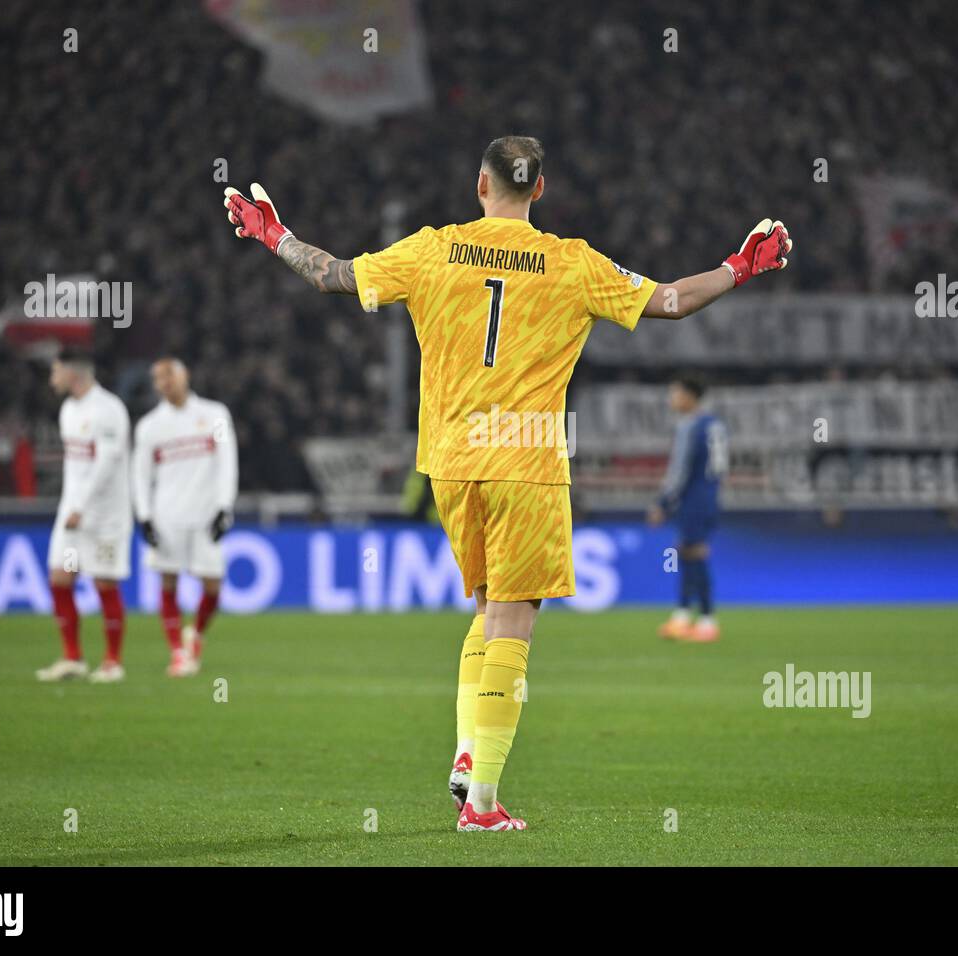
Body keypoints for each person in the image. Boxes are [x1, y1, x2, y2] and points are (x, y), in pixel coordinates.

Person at [223, 135, 792, 830]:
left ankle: (469, 758)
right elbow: (671, 302)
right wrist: (740, 265)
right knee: (515, 625)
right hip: (526, 461)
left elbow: (333, 274)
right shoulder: (572, 262)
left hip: (452, 461)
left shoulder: (433, 248)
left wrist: (272, 232)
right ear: (541, 190)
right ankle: (484, 804)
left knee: (489, 609)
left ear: (480, 185)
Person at [132, 358, 238, 677]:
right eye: (158, 379)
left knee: (214, 587)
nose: (165, 383)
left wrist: (224, 507)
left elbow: (227, 460)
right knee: (168, 580)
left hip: (206, 514)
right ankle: (178, 652)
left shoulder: (215, 414)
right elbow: (139, 474)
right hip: (168, 515)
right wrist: (145, 516)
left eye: (169, 376)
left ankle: (196, 635)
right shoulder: (150, 426)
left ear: (184, 375)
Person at [37, 354, 133, 683]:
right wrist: (71, 506)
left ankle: (112, 662)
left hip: (105, 516)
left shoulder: (108, 409)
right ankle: (73, 658)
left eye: (56, 370)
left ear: (72, 371)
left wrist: (83, 506)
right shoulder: (68, 410)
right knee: (60, 579)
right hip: (72, 515)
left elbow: (106, 464)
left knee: (104, 583)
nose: (52, 376)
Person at [649, 376, 728, 642]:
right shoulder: (714, 424)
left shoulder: (690, 426)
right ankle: (683, 616)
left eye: (675, 393)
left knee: (695, 553)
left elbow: (679, 470)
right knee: (687, 551)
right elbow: (721, 466)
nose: (671, 399)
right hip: (710, 494)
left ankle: (706, 620)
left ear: (690, 396)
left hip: (693, 496)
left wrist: (662, 502)